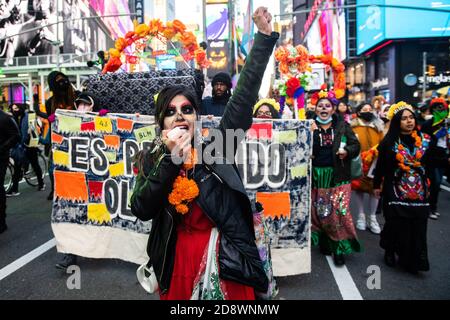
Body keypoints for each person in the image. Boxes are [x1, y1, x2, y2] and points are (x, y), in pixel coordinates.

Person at [130, 6, 277, 300]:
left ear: (197, 116)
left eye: (187, 109)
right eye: (170, 112)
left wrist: (263, 39)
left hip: (224, 261)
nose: (179, 116)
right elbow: (142, 209)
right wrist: (171, 160)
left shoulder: (216, 147)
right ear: (161, 122)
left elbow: (243, 97)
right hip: (178, 261)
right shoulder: (151, 158)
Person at [373, 101, 431, 274]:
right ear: (397, 121)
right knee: (396, 223)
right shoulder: (388, 142)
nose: (409, 121)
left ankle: (413, 260)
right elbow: (381, 166)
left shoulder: (426, 141)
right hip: (395, 188)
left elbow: (434, 163)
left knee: (418, 225)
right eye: (404, 119)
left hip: (420, 190)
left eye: (411, 118)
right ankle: (390, 250)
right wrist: (377, 185)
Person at [309, 86, 361, 266]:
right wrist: (311, 132)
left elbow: (356, 146)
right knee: (321, 212)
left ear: (333, 108)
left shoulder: (342, 125)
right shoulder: (308, 125)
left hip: (339, 175)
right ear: (315, 109)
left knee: (340, 212)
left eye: (327, 106)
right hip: (318, 175)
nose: (324, 108)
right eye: (320, 106)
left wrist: (346, 151)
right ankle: (326, 241)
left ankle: (339, 249)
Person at [40, 70, 76, 201]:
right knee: (53, 168)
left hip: (79, 138)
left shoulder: (77, 96)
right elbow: (52, 125)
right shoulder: (50, 102)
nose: (62, 82)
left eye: (63, 78)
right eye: (58, 80)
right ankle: (56, 189)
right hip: (59, 140)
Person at [350, 102, 384, 234]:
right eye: (365, 109)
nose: (368, 111)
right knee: (358, 188)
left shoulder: (378, 127)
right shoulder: (353, 126)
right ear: (358, 112)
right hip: (358, 162)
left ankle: (372, 217)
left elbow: (383, 143)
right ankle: (360, 216)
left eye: (370, 109)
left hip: (375, 163)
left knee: (375, 190)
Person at [7, 103, 45, 197]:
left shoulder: (28, 116)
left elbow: (30, 129)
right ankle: (14, 189)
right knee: (17, 168)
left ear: (20, 108)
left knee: (35, 164)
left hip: (29, 145)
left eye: (16, 108)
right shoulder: (14, 118)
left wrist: (30, 131)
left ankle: (41, 183)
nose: (14, 110)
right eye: (13, 109)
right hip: (20, 146)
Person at [421, 98, 449, 220]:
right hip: (430, 157)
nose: (441, 111)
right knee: (434, 182)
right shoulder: (428, 124)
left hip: (443, 157)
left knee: (436, 185)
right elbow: (423, 142)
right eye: (438, 108)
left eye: (443, 108)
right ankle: (428, 208)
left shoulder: (447, 124)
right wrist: (436, 136)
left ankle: (433, 207)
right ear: (433, 109)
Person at [0, 108, 20, 233]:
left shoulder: (4, 118)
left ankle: (1, 220)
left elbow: (16, 136)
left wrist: (2, 148)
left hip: (0, 158)